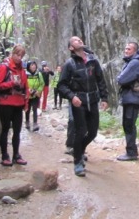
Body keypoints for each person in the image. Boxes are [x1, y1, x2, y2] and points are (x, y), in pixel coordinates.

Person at [57, 36, 109, 177]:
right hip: (79, 102)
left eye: (79, 39)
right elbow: (61, 85)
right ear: (71, 48)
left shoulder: (92, 61)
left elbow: (100, 80)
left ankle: (78, 149)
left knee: (92, 132)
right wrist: (72, 97)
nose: (79, 40)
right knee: (80, 131)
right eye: (75, 40)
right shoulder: (70, 64)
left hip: (92, 100)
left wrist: (104, 98)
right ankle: (78, 163)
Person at [0, 44, 29, 166]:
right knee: (5, 129)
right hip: (5, 103)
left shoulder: (22, 70)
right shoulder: (4, 67)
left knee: (17, 130)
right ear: (12, 53)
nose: (19, 58)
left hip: (18, 104)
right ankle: (5, 156)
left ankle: (16, 155)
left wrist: (26, 103)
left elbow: (26, 87)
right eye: (17, 54)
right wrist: (11, 84)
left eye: (21, 56)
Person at [116, 41, 139, 161]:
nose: (126, 51)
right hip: (131, 98)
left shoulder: (134, 63)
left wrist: (119, 77)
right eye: (125, 48)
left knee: (129, 125)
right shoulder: (133, 62)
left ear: (135, 51)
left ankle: (131, 152)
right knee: (128, 124)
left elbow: (122, 79)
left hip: (133, 98)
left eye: (129, 49)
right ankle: (131, 151)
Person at [25, 60, 44, 131]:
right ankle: (27, 122)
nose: (33, 66)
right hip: (28, 95)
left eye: (34, 65)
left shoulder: (38, 74)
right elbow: (23, 83)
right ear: (28, 66)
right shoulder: (25, 74)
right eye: (32, 65)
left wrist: (38, 91)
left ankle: (35, 123)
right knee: (28, 109)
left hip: (36, 94)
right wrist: (28, 90)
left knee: (35, 109)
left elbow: (42, 83)